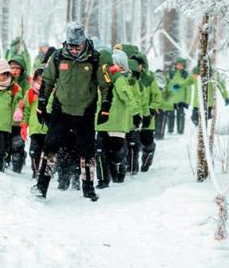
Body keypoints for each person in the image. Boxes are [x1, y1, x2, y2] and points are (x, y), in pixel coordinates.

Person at [33, 22, 112, 202]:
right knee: (50, 147)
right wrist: (41, 104)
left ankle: (88, 189)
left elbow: (106, 85)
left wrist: (105, 108)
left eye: (77, 46)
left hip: (85, 111)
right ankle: (41, 186)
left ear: (84, 42)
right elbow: (47, 80)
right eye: (71, 46)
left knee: (87, 150)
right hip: (61, 109)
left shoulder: (96, 58)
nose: (74, 49)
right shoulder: (58, 57)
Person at [95, 49, 135, 188]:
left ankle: (119, 170)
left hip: (117, 122)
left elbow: (128, 97)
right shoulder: (100, 78)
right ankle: (102, 181)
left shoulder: (119, 79)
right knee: (100, 153)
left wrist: (136, 114)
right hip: (101, 122)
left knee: (116, 153)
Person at [133, 51, 161, 172]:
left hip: (147, 116)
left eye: (138, 64)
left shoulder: (150, 78)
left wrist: (151, 109)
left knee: (147, 142)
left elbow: (156, 96)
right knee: (132, 143)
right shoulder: (130, 77)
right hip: (133, 116)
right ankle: (132, 168)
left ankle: (146, 163)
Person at [21, 66, 48, 177]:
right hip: (35, 128)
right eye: (38, 80)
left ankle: (45, 171)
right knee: (34, 151)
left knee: (46, 152)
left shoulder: (51, 93)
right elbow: (26, 110)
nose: (40, 83)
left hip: (48, 128)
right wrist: (24, 126)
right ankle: (36, 171)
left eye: (43, 80)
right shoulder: (31, 93)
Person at [7, 53, 29, 173]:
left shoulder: (25, 84)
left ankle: (17, 165)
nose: (14, 71)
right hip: (6, 118)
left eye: (17, 68)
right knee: (5, 143)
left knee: (17, 144)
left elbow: (27, 98)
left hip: (18, 120)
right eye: (12, 68)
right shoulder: (4, 80)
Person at [168, 57, 192, 134]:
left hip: (181, 99)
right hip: (171, 99)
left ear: (184, 66)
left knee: (180, 115)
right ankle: (170, 130)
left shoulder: (186, 75)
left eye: (181, 65)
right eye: (178, 64)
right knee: (170, 115)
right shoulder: (171, 74)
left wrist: (188, 100)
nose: (179, 66)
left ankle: (180, 130)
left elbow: (188, 89)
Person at [155, 69, 174, 140]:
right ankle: (159, 134)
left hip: (159, 105)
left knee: (158, 120)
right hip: (161, 105)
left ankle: (158, 134)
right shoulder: (157, 82)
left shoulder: (166, 82)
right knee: (161, 120)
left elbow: (170, 93)